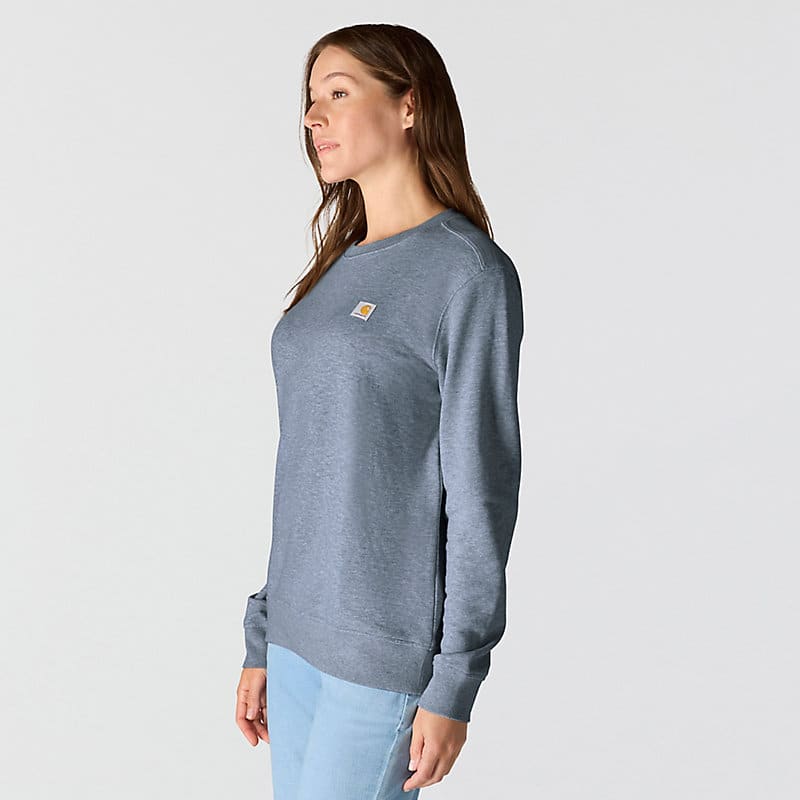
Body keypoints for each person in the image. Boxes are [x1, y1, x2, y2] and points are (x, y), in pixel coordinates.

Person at [234, 23, 524, 799]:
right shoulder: (338, 268)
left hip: (380, 653)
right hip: (297, 640)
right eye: (310, 100)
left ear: (408, 106)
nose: (313, 117)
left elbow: (481, 490)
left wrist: (455, 678)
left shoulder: (466, 274)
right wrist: (264, 631)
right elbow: (310, 469)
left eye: (338, 93)